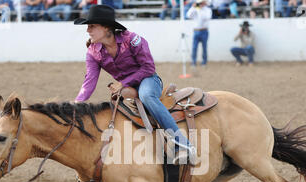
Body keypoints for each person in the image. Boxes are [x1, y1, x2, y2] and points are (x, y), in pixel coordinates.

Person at [74, 5, 198, 164]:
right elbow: (89, 81)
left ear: (106, 28)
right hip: (127, 87)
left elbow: (148, 68)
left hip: (149, 80)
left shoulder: (131, 39)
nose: (88, 30)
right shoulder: (93, 52)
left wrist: (123, 83)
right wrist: (78, 102)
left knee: (146, 95)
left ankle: (183, 143)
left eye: (92, 26)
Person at [186, 0, 212, 67]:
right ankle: (193, 62)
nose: (200, 4)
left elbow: (206, 18)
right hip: (196, 30)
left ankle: (204, 62)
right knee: (194, 48)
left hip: (204, 31)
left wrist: (199, 9)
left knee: (204, 47)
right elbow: (188, 15)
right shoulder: (195, 9)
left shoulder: (208, 10)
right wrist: (193, 7)